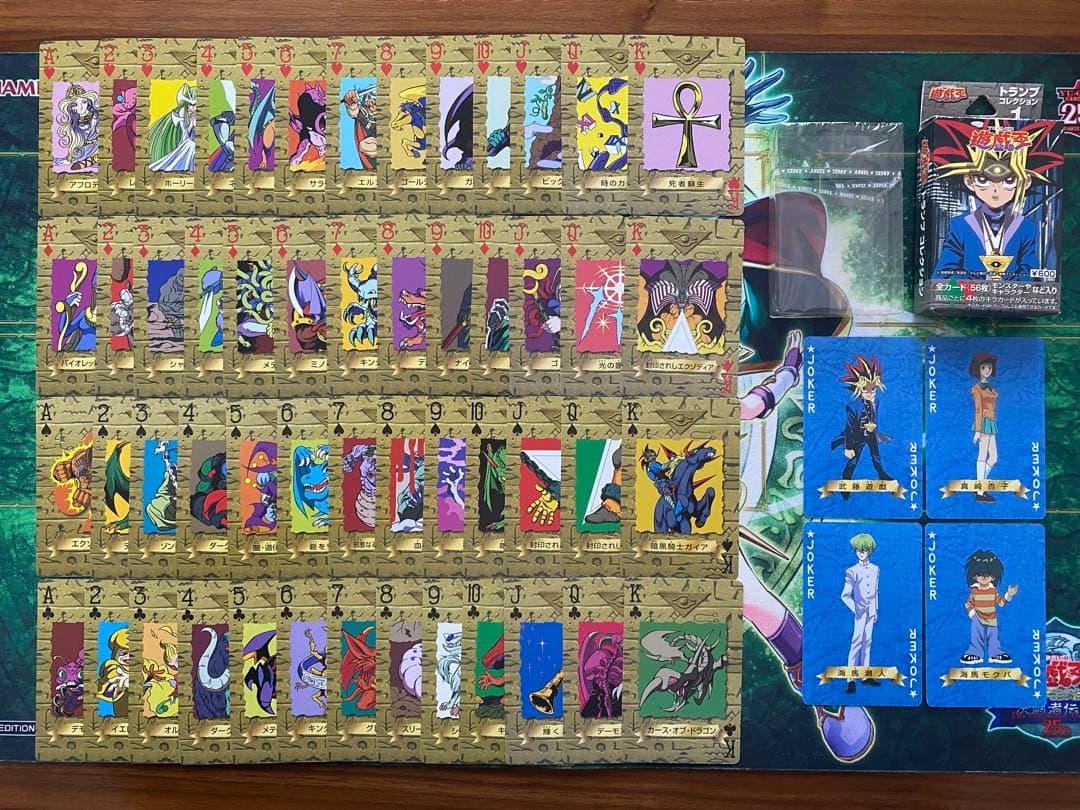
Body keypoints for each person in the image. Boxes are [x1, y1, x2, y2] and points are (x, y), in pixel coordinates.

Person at [840, 534, 880, 693]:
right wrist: (856, 608)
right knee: (856, 643)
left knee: (867, 642)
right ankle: (850, 680)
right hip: (859, 612)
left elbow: (875, 592)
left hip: (871, 612)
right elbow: (845, 595)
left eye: (863, 550)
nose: (860, 553)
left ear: (869, 550)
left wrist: (875, 610)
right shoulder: (852, 571)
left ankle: (865, 676)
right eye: (857, 550)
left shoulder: (875, 569)